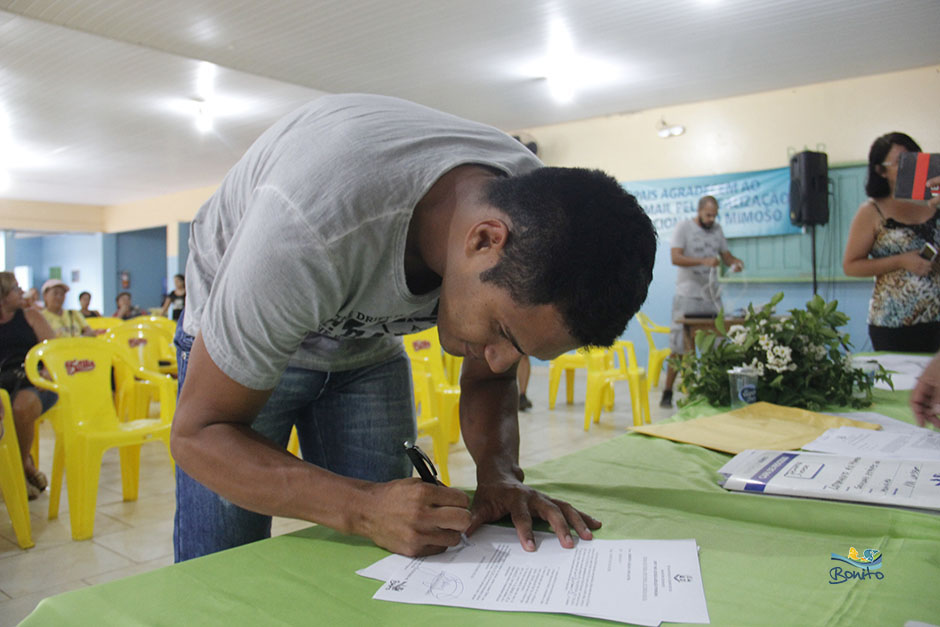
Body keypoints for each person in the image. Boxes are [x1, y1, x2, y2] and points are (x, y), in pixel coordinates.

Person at [170, 94, 656, 562]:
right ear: (484, 240)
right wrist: (360, 508)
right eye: (503, 333)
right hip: (246, 307)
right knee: (223, 554)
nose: (499, 360)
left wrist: (500, 475)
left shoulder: (541, 222)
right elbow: (199, 435)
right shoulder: (309, 226)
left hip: (362, 338)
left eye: (523, 351)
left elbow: (492, 377)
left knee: (393, 541)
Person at [843, 133, 940, 352]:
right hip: (894, 321)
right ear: (881, 170)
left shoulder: (935, 202)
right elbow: (850, 265)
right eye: (900, 162)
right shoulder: (872, 210)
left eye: (914, 159)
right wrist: (901, 261)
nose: (910, 167)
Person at [660, 195, 743, 408]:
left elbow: (726, 256)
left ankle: (714, 390)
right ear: (699, 212)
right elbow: (675, 258)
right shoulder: (683, 228)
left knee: (719, 342)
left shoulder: (717, 230)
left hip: (711, 296)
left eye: (714, 215)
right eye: (708, 215)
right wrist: (702, 261)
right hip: (688, 294)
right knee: (679, 344)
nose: (711, 219)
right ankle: (668, 392)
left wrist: (734, 262)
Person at [0, 272, 57, 500]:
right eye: (16, 288)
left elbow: (53, 351)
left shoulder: (31, 316)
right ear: (2, 296)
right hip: (4, 385)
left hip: (36, 383)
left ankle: (22, 466)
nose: (22, 291)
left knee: (21, 407)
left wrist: (46, 371)